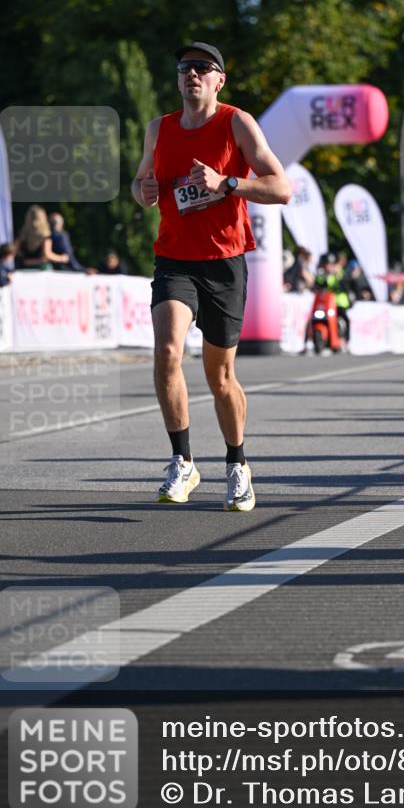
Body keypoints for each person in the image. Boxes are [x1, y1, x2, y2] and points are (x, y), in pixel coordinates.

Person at [132, 40, 290, 507]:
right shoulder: (158, 129)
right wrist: (142, 191)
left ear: (220, 79)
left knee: (220, 377)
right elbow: (144, 183)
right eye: (184, 68)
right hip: (175, 260)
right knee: (167, 352)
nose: (192, 75)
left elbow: (281, 187)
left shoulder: (236, 123)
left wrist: (229, 184)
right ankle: (182, 461)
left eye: (202, 68)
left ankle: (238, 463)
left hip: (223, 263)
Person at [15, 205, 66, 270]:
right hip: (40, 267)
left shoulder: (21, 234)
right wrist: (62, 258)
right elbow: (47, 255)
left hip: (23, 267)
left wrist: (25, 261)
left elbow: (16, 252)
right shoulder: (46, 235)